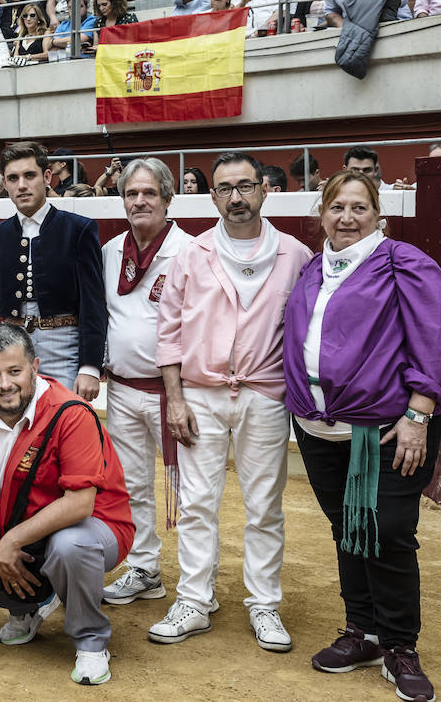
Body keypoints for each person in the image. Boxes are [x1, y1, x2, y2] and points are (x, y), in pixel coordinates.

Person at [282, 171, 441, 702]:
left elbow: (437, 336)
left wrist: (419, 414)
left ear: (378, 213)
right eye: (337, 208)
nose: (347, 218)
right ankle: (364, 632)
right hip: (319, 427)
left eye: (359, 208)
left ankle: (401, 643)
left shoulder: (404, 262)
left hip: (387, 428)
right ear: (322, 213)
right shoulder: (316, 267)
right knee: (348, 528)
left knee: (391, 531)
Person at [150, 152, 313, 652]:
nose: (236, 197)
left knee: (265, 505)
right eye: (225, 189)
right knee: (198, 503)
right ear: (213, 195)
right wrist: (174, 399)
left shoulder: (296, 255)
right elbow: (169, 330)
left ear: (265, 190)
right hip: (199, 394)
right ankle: (195, 601)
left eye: (245, 187)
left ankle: (264, 604)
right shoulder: (192, 253)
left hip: (265, 396)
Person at [0, 323, 134, 687]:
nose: (5, 384)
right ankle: (26, 609)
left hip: (91, 529)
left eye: (15, 371)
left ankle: (91, 640)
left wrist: (10, 542)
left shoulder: (71, 413)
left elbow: (80, 504)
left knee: (69, 545)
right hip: (13, 536)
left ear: (35, 366)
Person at [99, 159, 194, 606]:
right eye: (131, 194)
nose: (139, 201)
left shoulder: (191, 251)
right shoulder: (110, 250)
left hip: (177, 394)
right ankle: (144, 569)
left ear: (168, 198)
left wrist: (181, 395)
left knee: (190, 488)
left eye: (149, 193)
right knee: (132, 484)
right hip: (121, 391)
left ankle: (197, 585)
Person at [0, 142, 106, 398]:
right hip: (9, 353)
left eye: (29, 175)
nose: (21, 185)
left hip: (64, 349)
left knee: (64, 426)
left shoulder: (78, 230)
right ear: (5, 184)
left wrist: (90, 366)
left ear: (47, 177)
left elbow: (93, 303)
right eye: (13, 178)